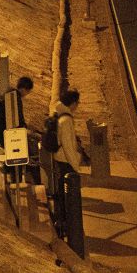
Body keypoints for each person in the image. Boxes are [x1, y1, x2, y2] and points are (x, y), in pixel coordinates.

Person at [48, 88, 91, 238]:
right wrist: (76, 166)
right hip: (65, 161)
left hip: (60, 159)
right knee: (67, 196)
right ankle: (66, 225)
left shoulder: (60, 115)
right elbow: (68, 146)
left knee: (63, 194)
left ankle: (64, 223)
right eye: (77, 103)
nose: (77, 105)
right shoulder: (66, 120)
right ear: (72, 103)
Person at [0, 76, 34, 143]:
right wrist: (24, 128)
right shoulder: (14, 97)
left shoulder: (8, 93)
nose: (27, 94)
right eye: (28, 91)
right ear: (24, 89)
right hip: (2, 131)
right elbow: (16, 118)